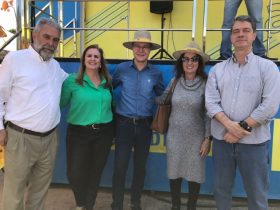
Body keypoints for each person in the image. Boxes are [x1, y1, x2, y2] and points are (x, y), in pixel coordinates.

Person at [205, 15, 280, 210]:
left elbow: (269, 106)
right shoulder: (217, 70)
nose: (240, 35)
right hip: (223, 142)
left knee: (257, 194)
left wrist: (240, 128)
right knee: (221, 190)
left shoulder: (268, 68)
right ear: (230, 38)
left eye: (246, 30)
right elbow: (211, 104)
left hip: (254, 144)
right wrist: (231, 127)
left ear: (254, 35)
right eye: (236, 31)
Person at [0, 18, 68, 210]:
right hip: (20, 139)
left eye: (55, 40)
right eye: (47, 37)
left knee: (39, 193)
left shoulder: (55, 66)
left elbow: (74, 81)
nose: (51, 43)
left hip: (49, 140)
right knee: (14, 194)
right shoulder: (15, 59)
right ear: (34, 35)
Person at [111, 30, 164, 210]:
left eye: (145, 46)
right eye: (138, 46)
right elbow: (108, 88)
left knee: (140, 168)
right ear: (132, 48)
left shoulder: (156, 74)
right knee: (120, 167)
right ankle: (116, 204)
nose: (141, 50)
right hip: (123, 125)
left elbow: (161, 97)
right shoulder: (121, 69)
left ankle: (135, 202)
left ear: (149, 50)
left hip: (145, 126)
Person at [156, 42, 211, 210]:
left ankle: (191, 207)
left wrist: (207, 139)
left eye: (194, 59)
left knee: (194, 176)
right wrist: (145, 92)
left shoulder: (206, 83)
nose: (189, 62)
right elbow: (162, 101)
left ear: (199, 63)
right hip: (174, 137)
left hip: (196, 139)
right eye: (185, 59)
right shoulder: (175, 81)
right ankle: (175, 206)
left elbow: (210, 114)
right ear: (181, 62)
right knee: (174, 173)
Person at [60, 44, 114, 210]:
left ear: (100, 62)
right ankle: (80, 203)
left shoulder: (107, 82)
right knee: (75, 173)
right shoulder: (72, 80)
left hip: (103, 133)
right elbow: (59, 104)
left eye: (96, 56)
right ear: (83, 59)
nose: (92, 59)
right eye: (89, 55)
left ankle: (88, 206)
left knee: (95, 172)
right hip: (78, 134)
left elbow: (111, 107)